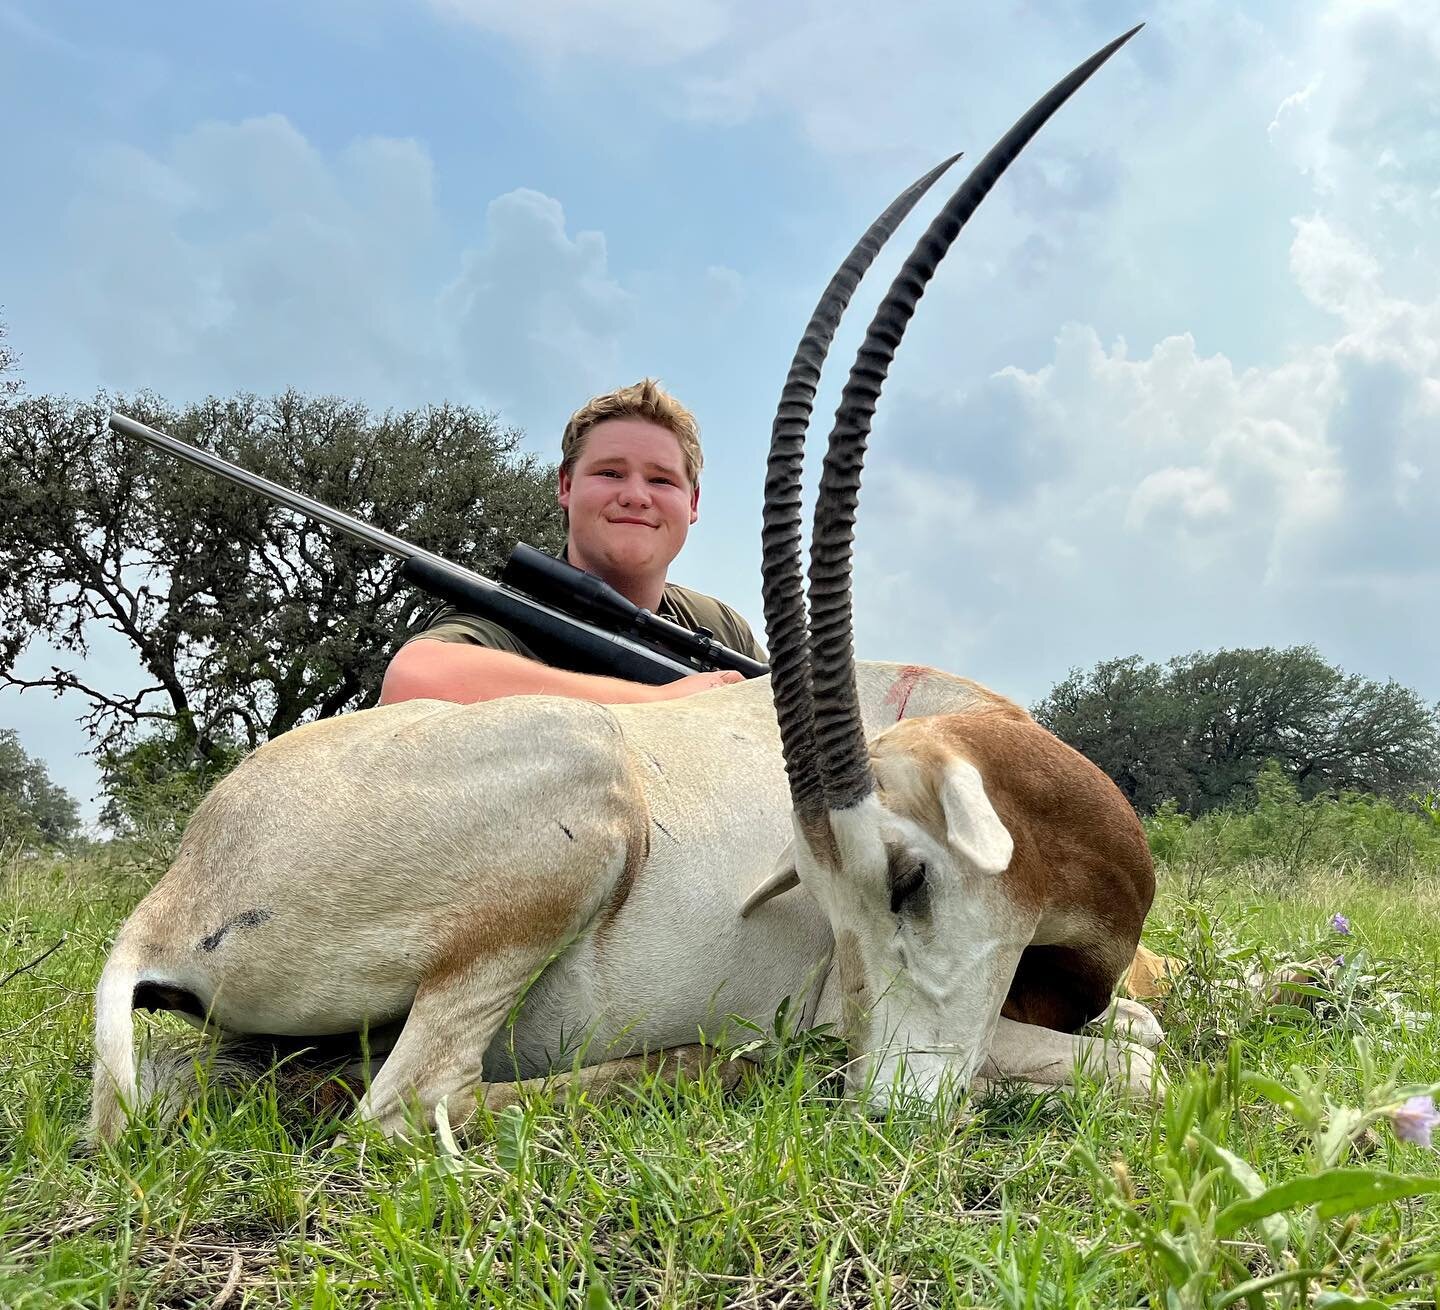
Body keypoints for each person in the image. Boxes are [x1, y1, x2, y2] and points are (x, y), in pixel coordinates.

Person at [380, 379, 764, 707]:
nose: (635, 496)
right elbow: (416, 676)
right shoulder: (511, 615)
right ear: (566, 486)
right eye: (610, 473)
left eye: (661, 480)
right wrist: (663, 702)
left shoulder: (719, 625)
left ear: (693, 503)